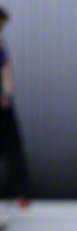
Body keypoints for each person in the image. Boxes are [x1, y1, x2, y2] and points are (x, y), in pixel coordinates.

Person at [0, 7, 30, 206]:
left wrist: (6, 94)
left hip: (4, 102)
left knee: (13, 148)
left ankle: (17, 192)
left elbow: (6, 71)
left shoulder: (2, 43)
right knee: (11, 147)